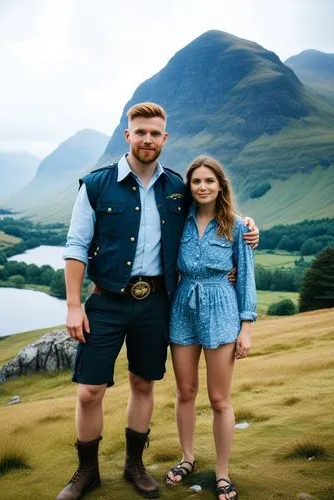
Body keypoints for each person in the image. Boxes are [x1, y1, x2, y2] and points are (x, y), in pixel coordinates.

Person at [56, 103, 259, 500]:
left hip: (156, 303)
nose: (147, 139)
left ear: (165, 139)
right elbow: (76, 246)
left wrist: (248, 226)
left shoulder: (176, 189)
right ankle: (86, 472)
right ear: (127, 135)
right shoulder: (96, 184)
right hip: (106, 302)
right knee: (88, 391)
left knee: (142, 383)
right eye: (140, 132)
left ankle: (134, 466)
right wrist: (73, 305)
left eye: (155, 133)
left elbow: (214, 208)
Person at [165, 155, 257, 500]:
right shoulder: (178, 223)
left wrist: (245, 328)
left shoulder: (237, 227)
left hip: (222, 310)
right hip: (183, 310)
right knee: (185, 392)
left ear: (220, 186)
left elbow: (246, 278)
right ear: (189, 187)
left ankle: (222, 473)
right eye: (196, 182)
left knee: (219, 398)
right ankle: (187, 457)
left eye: (209, 181)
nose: (202, 187)